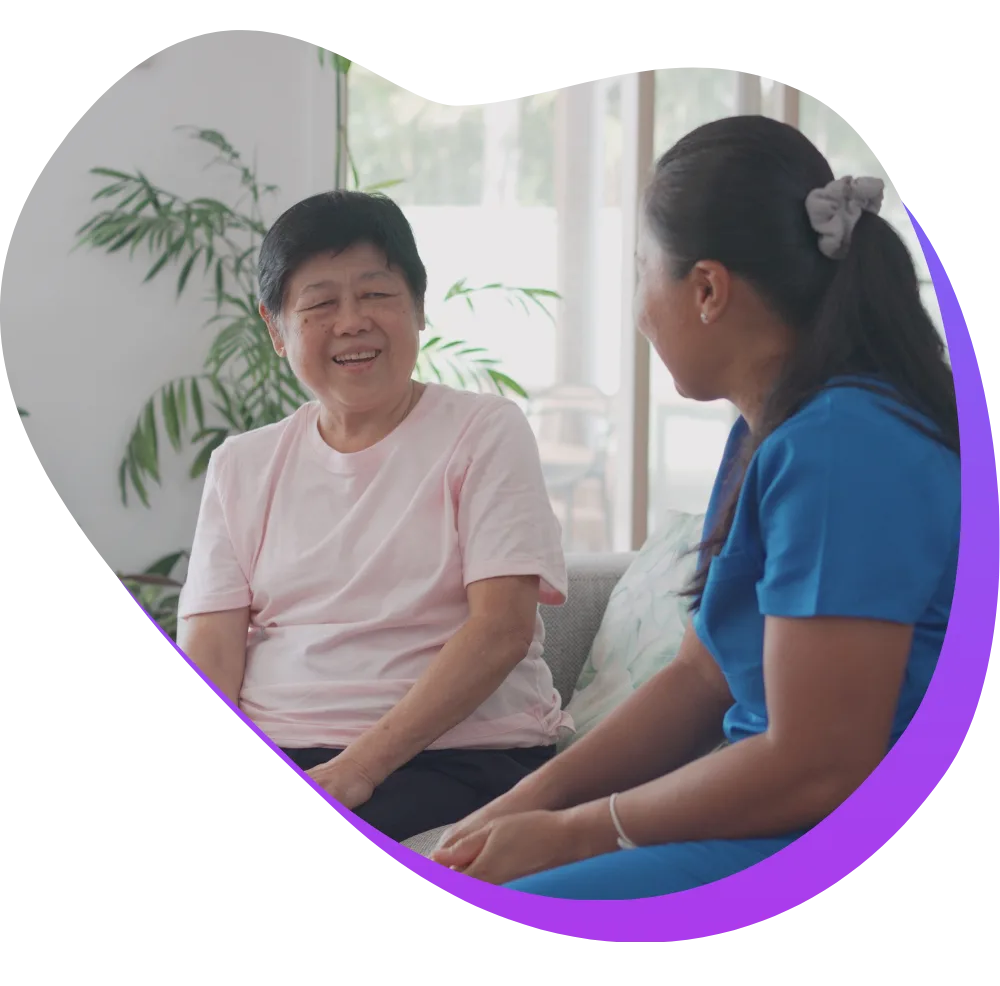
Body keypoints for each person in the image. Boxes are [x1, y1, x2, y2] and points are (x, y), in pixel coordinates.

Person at [430, 115, 961, 899]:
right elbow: (702, 676)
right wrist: (527, 801)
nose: (641, 312)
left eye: (643, 270)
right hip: (768, 812)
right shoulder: (773, 429)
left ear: (707, 288)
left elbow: (819, 768)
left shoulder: (843, 448)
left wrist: (577, 831)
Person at [176, 191, 572, 844]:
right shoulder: (241, 465)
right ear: (276, 330)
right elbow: (212, 652)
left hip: (459, 755)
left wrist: (357, 768)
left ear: (418, 307)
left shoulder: (484, 432)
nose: (352, 322)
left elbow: (502, 629)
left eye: (377, 294)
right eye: (321, 304)